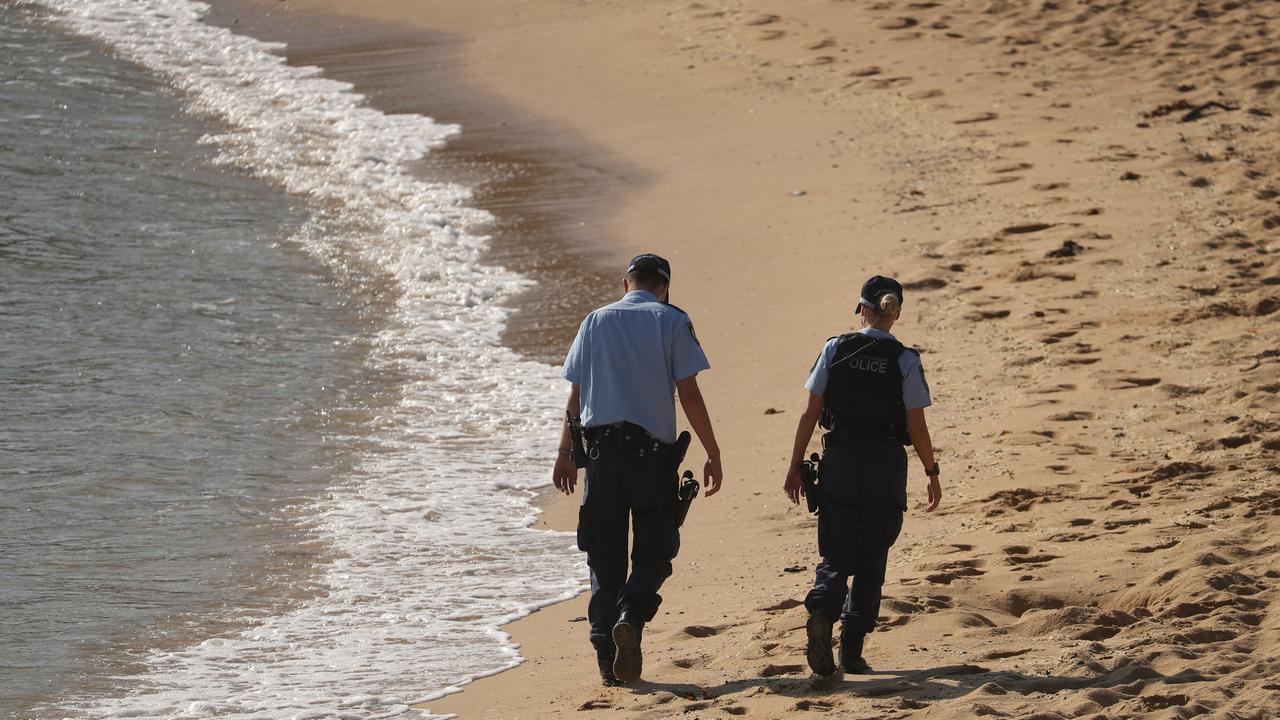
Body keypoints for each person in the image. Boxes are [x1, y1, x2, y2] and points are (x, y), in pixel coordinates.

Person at [552, 253, 724, 687]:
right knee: (655, 547)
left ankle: (607, 660)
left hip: (602, 456)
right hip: (651, 458)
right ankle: (632, 613)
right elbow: (689, 393)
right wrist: (712, 450)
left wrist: (564, 452)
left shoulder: (594, 320)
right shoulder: (671, 319)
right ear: (664, 286)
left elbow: (575, 395)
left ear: (625, 283)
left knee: (603, 555)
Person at [782, 275, 941, 677]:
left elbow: (809, 412)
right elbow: (917, 425)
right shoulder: (906, 359)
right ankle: (850, 652)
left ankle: (821, 613)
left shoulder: (835, 348)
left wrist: (794, 465)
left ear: (863, 310)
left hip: (840, 461)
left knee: (836, 551)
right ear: (896, 314)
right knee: (872, 557)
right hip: (885, 465)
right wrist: (931, 470)